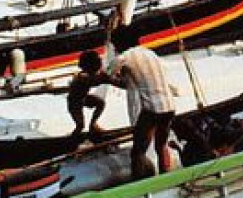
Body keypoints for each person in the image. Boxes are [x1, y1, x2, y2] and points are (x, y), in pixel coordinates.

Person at [106, 23, 179, 179]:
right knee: (161, 144)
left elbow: (108, 73)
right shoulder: (150, 53)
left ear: (119, 44)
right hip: (169, 106)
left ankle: (139, 182)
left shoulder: (125, 57)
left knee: (138, 151)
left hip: (152, 109)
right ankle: (167, 176)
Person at [63, 50, 108, 143]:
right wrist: (106, 78)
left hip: (83, 98)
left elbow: (98, 78)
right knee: (80, 125)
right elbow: (95, 81)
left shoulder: (89, 75)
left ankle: (93, 124)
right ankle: (71, 141)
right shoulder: (83, 77)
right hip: (74, 103)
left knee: (101, 103)